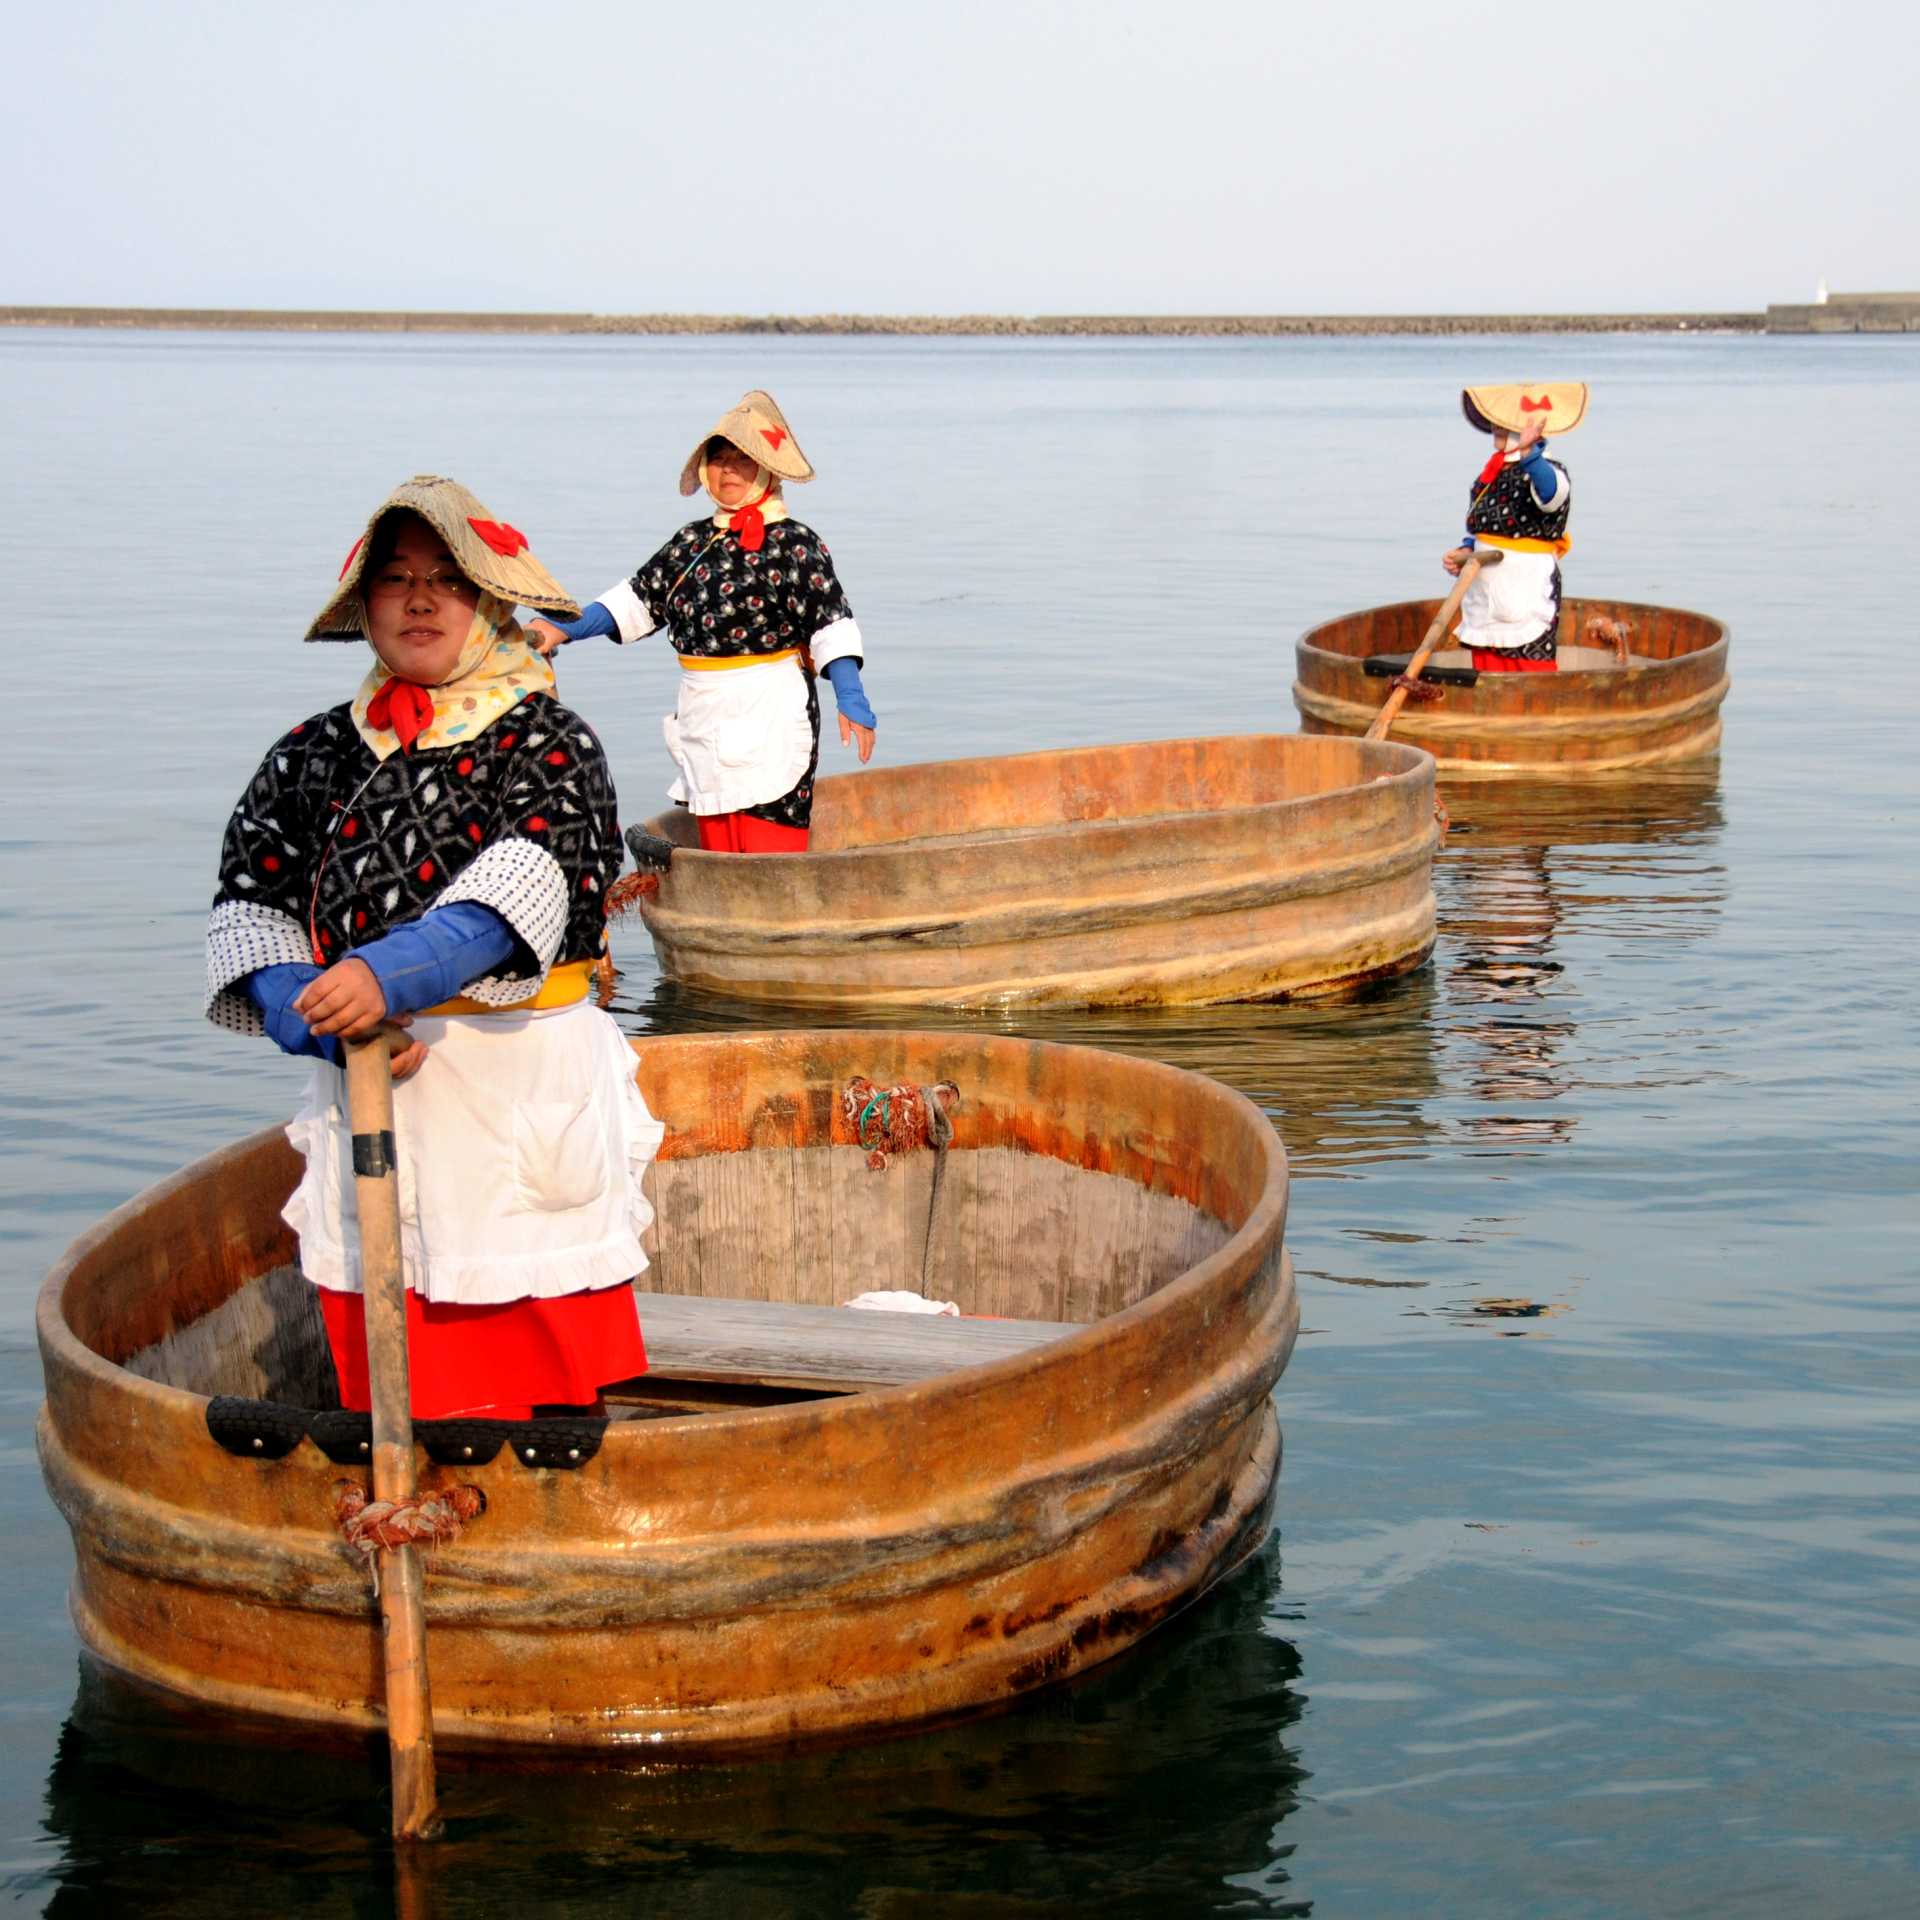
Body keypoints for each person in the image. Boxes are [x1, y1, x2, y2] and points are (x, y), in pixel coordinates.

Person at [203, 474, 663, 1422]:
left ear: (490, 601)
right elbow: (250, 902)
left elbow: (524, 885)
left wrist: (387, 972)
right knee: (387, 1366)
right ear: (364, 605)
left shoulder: (550, 739)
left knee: (534, 1388)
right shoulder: (313, 751)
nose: (418, 599)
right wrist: (312, 1010)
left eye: (447, 579)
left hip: (512, 1086)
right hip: (369, 1077)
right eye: (396, 578)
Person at [527, 391, 874, 852]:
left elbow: (828, 622)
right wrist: (563, 629)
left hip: (770, 707)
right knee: (716, 837)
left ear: (767, 469)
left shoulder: (795, 543)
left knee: (768, 844)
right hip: (703, 710)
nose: (728, 470)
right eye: (719, 459)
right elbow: (637, 600)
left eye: (742, 460)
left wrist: (849, 693)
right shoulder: (691, 542)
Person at [1442, 382, 1588, 673]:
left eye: (1504, 425)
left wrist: (1529, 453)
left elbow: (1551, 496)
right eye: (1496, 423)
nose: (1496, 429)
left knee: (1528, 663)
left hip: (1524, 583)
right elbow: (1485, 523)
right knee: (1486, 662)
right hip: (1485, 586)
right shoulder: (1493, 472)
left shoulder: (1548, 471)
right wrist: (1467, 550)